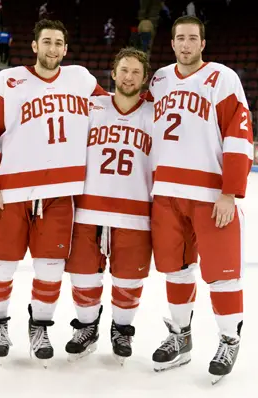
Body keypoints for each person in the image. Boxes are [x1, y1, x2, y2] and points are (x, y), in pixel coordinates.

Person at [0, 18, 105, 363]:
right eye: (46, 42)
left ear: (65, 48)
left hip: (60, 192)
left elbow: (112, 111)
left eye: (58, 43)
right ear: (34, 46)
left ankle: (40, 326)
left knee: (50, 266)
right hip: (13, 191)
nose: (52, 48)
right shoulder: (7, 81)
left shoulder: (81, 79)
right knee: (0, 263)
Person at [149, 15, 253, 383]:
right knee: (175, 269)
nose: (186, 44)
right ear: (172, 43)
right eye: (180, 38)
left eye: (193, 38)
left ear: (202, 43)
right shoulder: (158, 79)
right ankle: (181, 337)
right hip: (166, 194)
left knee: (222, 273)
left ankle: (228, 338)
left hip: (210, 196)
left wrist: (230, 191)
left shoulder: (222, 77)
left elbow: (239, 134)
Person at [64, 47, 153, 364]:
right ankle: (87, 328)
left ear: (145, 79)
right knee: (82, 273)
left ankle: (122, 329)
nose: (129, 77)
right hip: (88, 208)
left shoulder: (155, 113)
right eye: (124, 70)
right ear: (113, 73)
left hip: (136, 211)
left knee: (130, 277)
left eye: (136, 73)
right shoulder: (91, 107)